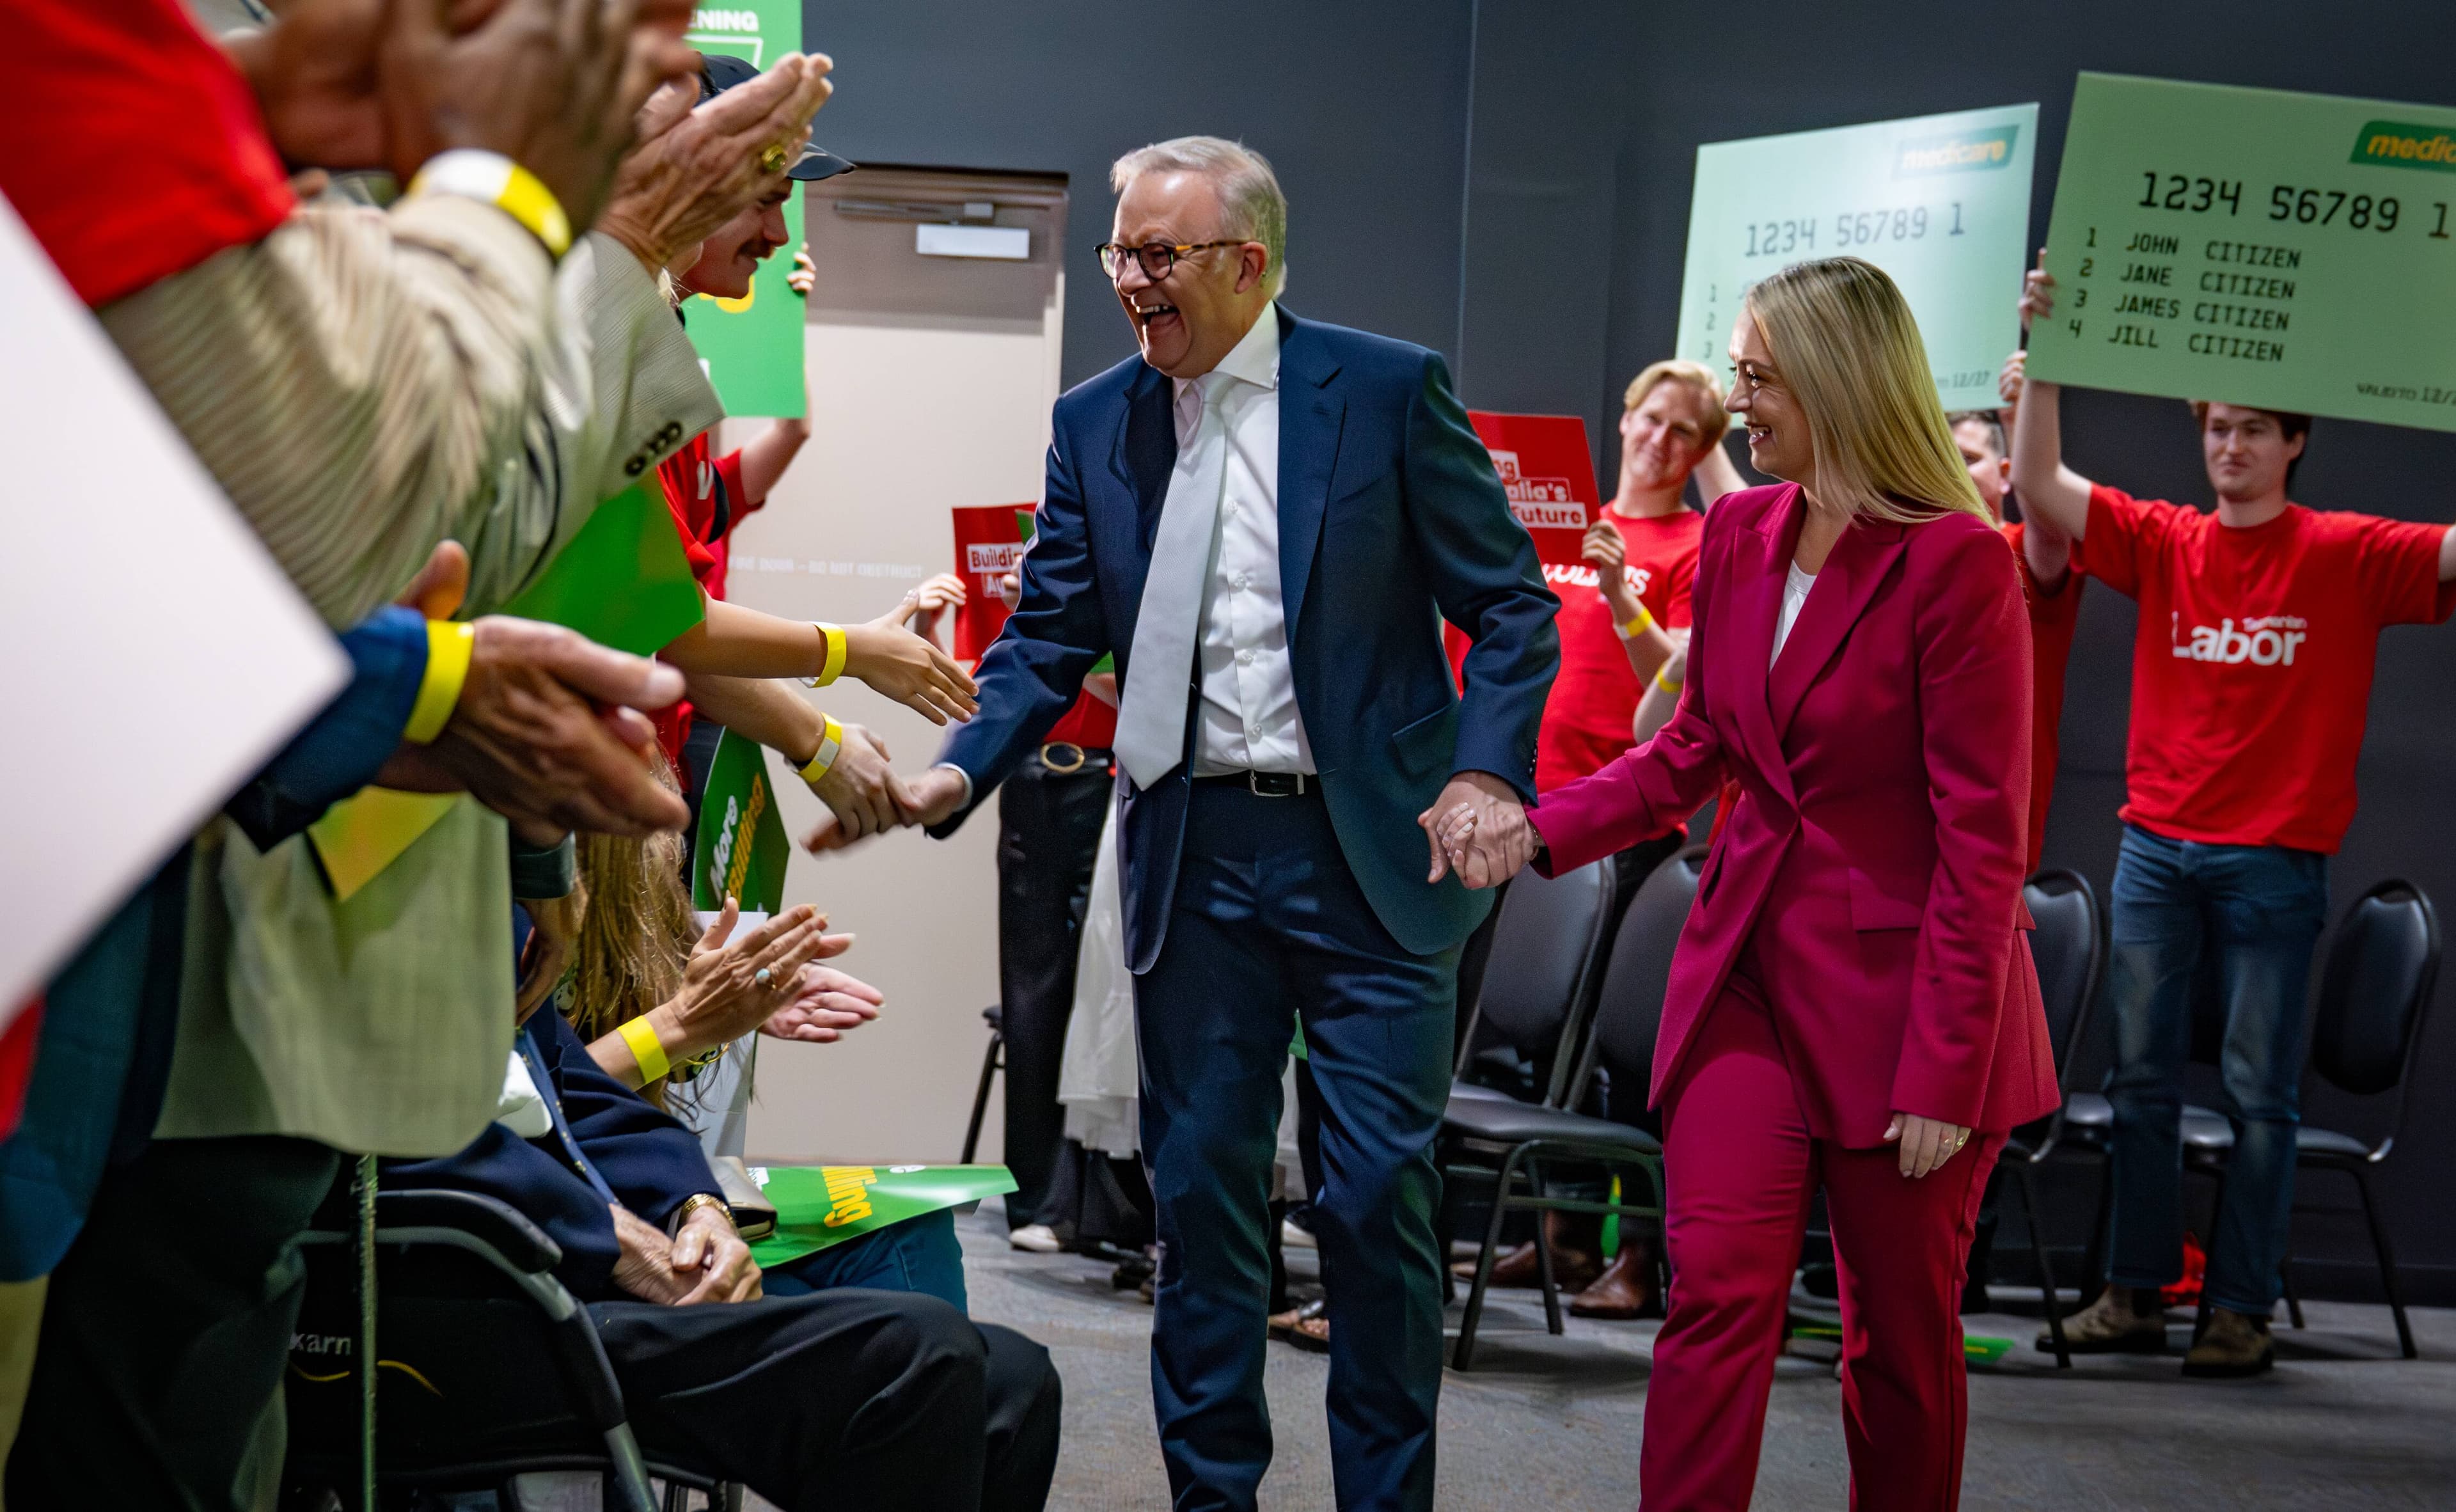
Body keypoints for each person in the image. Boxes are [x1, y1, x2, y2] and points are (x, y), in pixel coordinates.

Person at [885, 136, 1558, 1511]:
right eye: (1118, 252)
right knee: (1201, 1206)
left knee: (1376, 1208)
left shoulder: (1381, 391)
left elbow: (1514, 605)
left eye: (1157, 255)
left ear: (1246, 264)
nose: (1131, 281)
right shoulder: (1096, 422)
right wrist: (957, 773)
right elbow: (1051, 632)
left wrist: (1488, 774)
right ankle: (1213, 1499)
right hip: (1194, 858)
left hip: (1375, 852)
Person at [1467, 256, 2058, 1511]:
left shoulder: (1958, 565)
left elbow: (1981, 842)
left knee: (1895, 1351)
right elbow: (1690, 752)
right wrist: (1533, 832)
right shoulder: (1740, 532)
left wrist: (1949, 1069)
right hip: (1746, 984)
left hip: (1912, 1015)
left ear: (1841, 384)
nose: (1740, 407)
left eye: (1759, 378)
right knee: (1714, 1302)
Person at [2009, 263, 2456, 1376]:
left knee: (2261, 1094)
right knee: (2142, 1082)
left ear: (2294, 439)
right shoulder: (2166, 539)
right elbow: (2039, 486)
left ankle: (2241, 1307)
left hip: (2274, 863)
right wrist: (2047, 359)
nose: (2230, 447)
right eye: (2215, 428)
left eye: (2253, 429)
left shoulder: (2349, 550)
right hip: (2157, 848)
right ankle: (2135, 1293)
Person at [373, 1000, 1060, 1510]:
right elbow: (388, 1135)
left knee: (1016, 1382)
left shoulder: (491, 912)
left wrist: (699, 1208)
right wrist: (606, 1234)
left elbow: (577, 1093)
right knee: (919, 1354)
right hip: (454, 1303)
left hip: (565, 1281)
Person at [1483, 358, 1740, 1318]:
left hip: (1628, 825)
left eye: (1685, 432)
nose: (1658, 442)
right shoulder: (1566, 521)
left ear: (1704, 451)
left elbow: (1672, 686)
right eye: (1649, 420)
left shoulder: (1698, 543)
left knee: (1626, 1053)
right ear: (1623, 419)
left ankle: (1636, 1256)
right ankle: (1550, 1240)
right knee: (1532, 1044)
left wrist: (1623, 593)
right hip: (1530, 809)